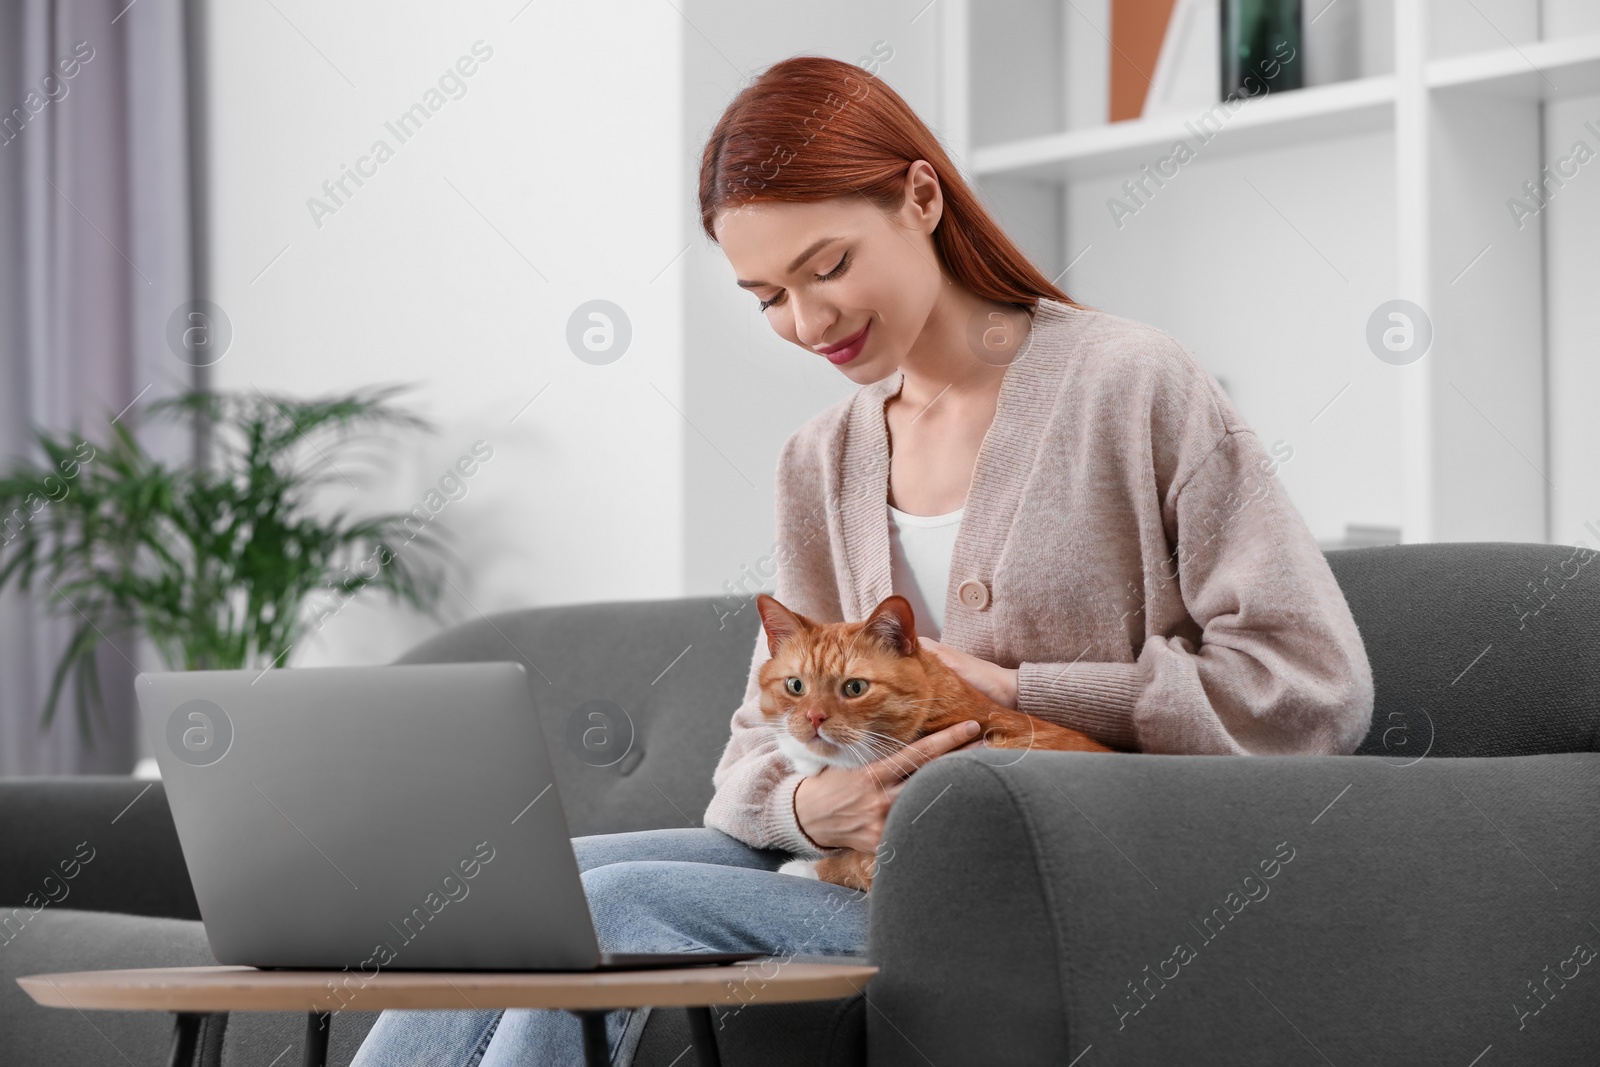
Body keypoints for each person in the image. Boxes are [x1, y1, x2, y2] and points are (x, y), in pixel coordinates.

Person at [352, 54, 1373, 1066]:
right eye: (766, 296)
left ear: (920, 197)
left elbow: (1309, 685)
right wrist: (803, 803)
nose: (807, 322)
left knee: (620, 904)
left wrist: (1024, 685)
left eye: (827, 267)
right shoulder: (820, 459)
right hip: (863, 860)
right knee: (506, 895)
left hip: (1072, 878)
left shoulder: (1132, 382)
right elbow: (756, 741)